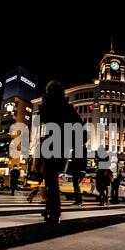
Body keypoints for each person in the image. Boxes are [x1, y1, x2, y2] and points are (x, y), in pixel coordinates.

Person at [38, 80, 83, 225]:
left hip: (52, 142)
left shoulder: (49, 104)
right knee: (51, 176)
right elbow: (80, 127)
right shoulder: (68, 107)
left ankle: (55, 210)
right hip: (64, 145)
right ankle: (50, 207)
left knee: (49, 176)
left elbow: (43, 118)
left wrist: (44, 101)